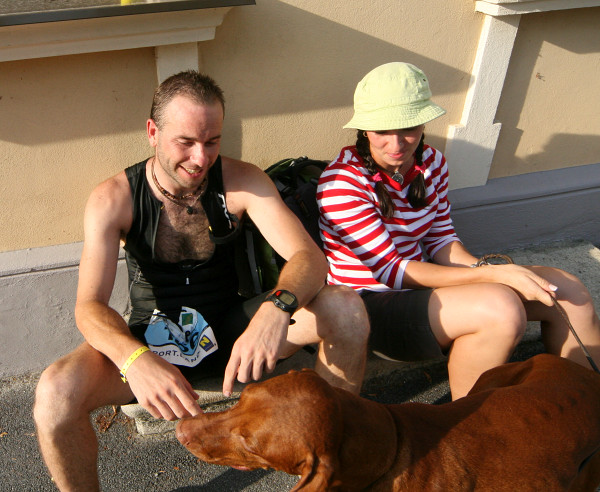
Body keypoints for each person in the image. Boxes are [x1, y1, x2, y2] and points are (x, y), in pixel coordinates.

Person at [33, 70, 369, 491]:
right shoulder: (113, 198)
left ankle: (335, 467)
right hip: (150, 341)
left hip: (233, 332)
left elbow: (309, 258)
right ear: (153, 133)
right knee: (55, 393)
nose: (200, 158)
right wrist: (134, 360)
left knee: (345, 309)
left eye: (212, 142)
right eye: (186, 142)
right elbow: (89, 307)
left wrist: (276, 308)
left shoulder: (243, 181)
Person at [317, 62, 600, 400]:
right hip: (368, 307)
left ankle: (585, 402)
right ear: (364, 130)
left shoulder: (432, 162)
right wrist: (491, 276)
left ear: (424, 123)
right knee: (501, 309)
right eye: (382, 130)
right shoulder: (341, 184)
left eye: (408, 128)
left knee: (566, 291)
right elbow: (391, 271)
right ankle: (469, 419)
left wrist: (485, 269)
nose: (397, 143)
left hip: (422, 290)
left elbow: (441, 238)